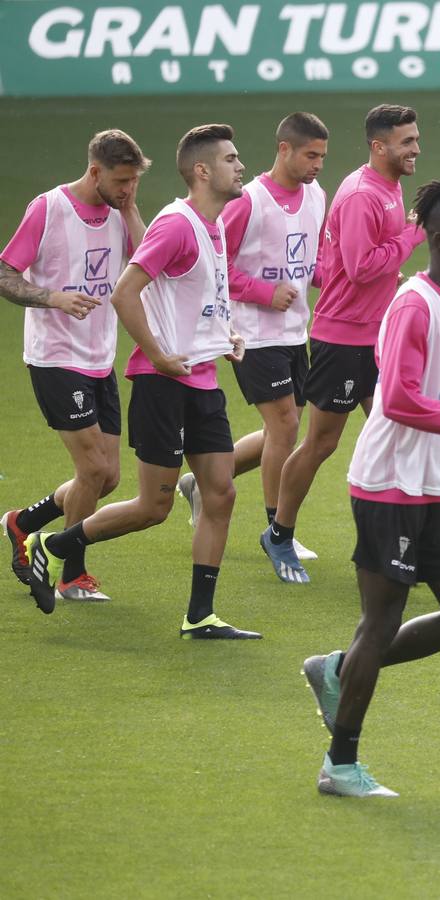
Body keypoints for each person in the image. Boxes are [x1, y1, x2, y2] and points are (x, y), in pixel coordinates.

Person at [301, 181, 440, 797]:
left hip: (429, 487)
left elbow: (433, 393)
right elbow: (399, 400)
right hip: (387, 486)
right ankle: (339, 765)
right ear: (439, 240)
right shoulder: (414, 304)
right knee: (381, 621)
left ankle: (336, 670)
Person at [25, 124, 261, 639]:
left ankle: (200, 615)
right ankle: (47, 545)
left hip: (201, 380)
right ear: (203, 170)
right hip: (162, 383)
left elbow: (199, 298)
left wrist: (227, 335)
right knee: (152, 507)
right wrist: (157, 355)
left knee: (220, 493)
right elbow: (126, 293)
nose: (240, 166)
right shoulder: (176, 225)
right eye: (231, 158)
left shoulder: (213, 225)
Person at [262, 105, 425, 583]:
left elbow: (372, 265)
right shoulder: (360, 195)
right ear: (379, 147)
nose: (416, 148)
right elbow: (359, 267)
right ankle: (279, 533)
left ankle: (389, 546)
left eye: (416, 139)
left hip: (378, 337)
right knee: (320, 443)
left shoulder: (390, 188)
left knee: (396, 437)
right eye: (407, 142)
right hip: (343, 339)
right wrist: (413, 235)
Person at [1, 130, 149, 605]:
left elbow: (151, 262)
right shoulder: (49, 208)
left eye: (133, 181)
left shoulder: (120, 212)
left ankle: (22, 523)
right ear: (94, 172)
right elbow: (5, 272)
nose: (127, 188)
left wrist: (128, 209)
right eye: (121, 181)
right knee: (90, 469)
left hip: (99, 357)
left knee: (108, 478)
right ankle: (70, 574)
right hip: (56, 357)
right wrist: (52, 297)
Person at [176, 113, 329, 560]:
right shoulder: (249, 201)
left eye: (322, 155)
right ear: (284, 149)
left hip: (293, 330)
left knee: (283, 426)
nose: (317, 164)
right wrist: (263, 291)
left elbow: (312, 263)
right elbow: (216, 267)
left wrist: (339, 279)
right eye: (310, 155)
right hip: (250, 333)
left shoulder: (317, 195)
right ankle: (277, 532)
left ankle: (198, 482)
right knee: (284, 425)